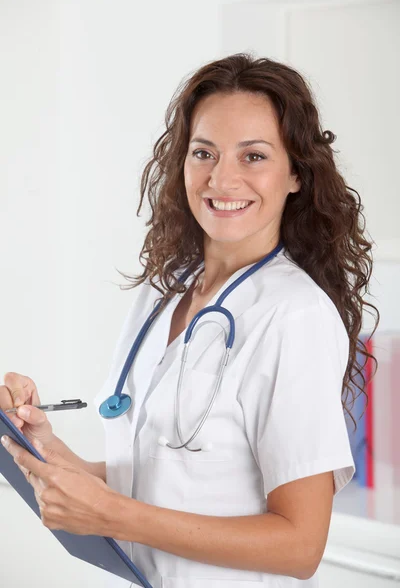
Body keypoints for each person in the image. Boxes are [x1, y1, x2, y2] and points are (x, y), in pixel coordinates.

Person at [0, 53, 379, 588]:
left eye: (253, 156)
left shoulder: (294, 315)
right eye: (204, 152)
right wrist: (39, 444)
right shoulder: (167, 291)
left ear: (297, 173)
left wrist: (112, 515)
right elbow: (162, 474)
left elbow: (300, 545)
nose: (221, 179)